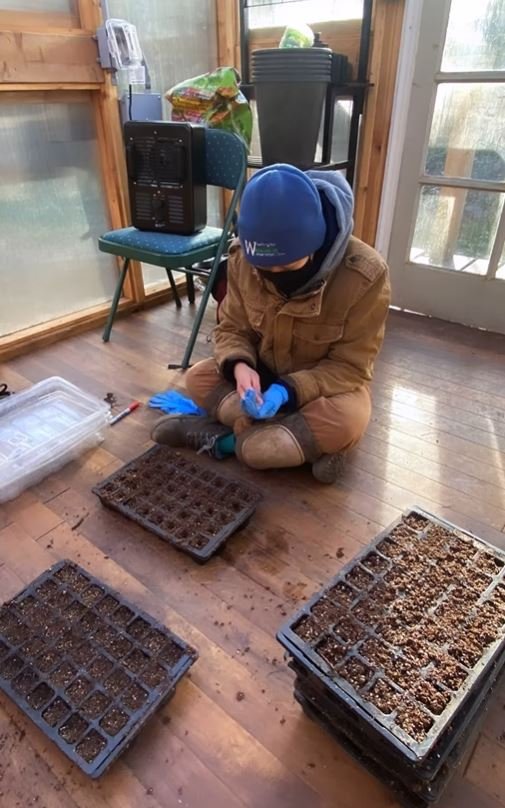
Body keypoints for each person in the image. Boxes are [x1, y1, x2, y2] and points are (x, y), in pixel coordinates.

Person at [152, 164, 390, 483]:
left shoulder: (365, 275)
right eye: (264, 268)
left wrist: (288, 391)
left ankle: (225, 439)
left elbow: (351, 368)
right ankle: (298, 442)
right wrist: (239, 366)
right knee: (198, 378)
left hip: (323, 389)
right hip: (262, 379)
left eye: (287, 266)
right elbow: (232, 328)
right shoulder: (241, 259)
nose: (275, 278)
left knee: (348, 419)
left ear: (315, 243)